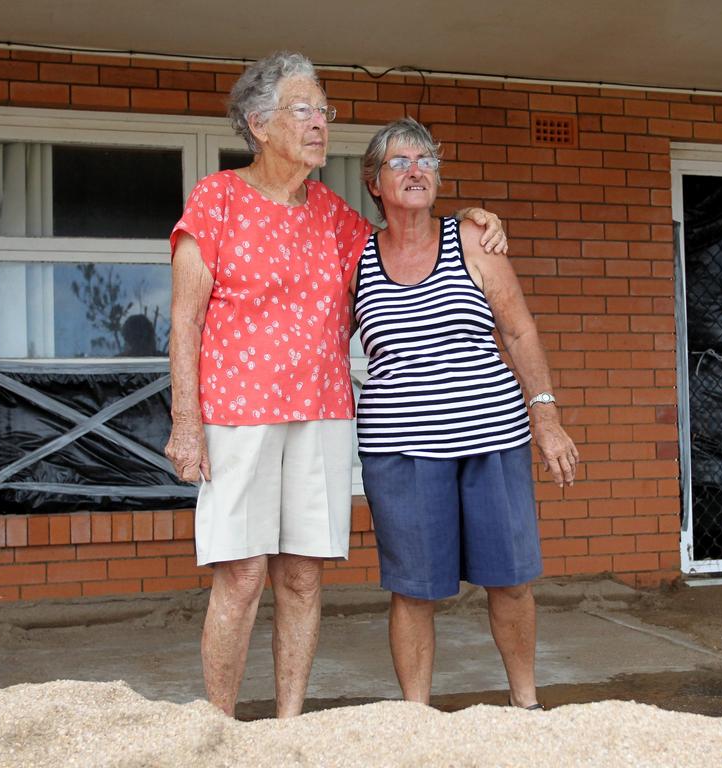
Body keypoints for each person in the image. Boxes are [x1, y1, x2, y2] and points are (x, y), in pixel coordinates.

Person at [164, 52, 507, 719]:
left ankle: (290, 726)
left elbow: (403, 241)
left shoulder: (335, 216)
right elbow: (184, 319)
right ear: (259, 125)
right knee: (240, 575)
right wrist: (186, 422)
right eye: (304, 110)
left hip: (322, 412)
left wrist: (472, 219)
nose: (321, 123)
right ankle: (219, 729)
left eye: (325, 111)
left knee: (301, 575)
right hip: (238, 416)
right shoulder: (218, 200)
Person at [352, 118, 580, 709]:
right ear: (374, 181)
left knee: (510, 580)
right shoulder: (354, 254)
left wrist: (547, 418)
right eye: (400, 162)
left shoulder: (472, 239)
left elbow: (519, 329)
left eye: (425, 160)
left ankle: (526, 704)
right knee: (413, 590)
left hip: (493, 437)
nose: (415, 170)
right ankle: (416, 717)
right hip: (399, 450)